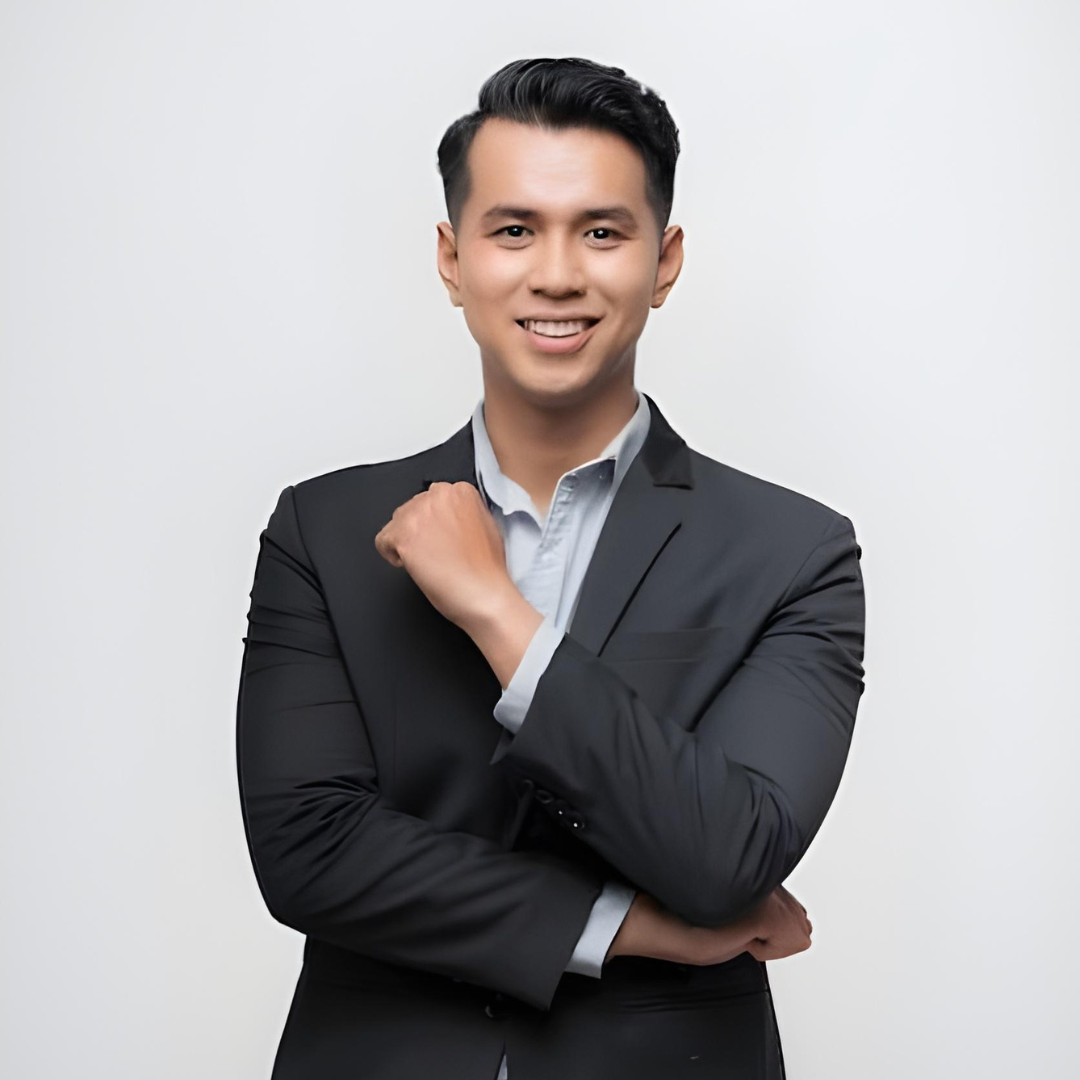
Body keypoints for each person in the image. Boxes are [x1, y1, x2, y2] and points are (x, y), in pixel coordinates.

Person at [236, 56, 866, 1080]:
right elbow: (309, 851)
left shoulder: (793, 551)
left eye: (602, 232)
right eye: (515, 230)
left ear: (664, 262)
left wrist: (498, 613)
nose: (558, 274)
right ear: (452, 259)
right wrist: (629, 927)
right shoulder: (325, 529)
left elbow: (729, 858)